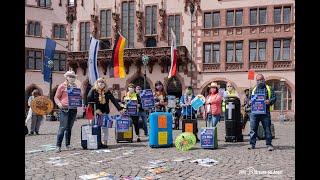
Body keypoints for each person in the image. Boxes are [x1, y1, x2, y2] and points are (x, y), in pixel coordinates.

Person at [87, 77, 124, 147]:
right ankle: (95, 142)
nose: (101, 83)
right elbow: (89, 100)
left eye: (102, 82)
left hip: (104, 112)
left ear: (105, 84)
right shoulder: (93, 90)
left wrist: (120, 109)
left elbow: (114, 100)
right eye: (99, 82)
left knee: (105, 128)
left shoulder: (107, 92)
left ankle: (105, 143)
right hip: (95, 113)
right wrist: (96, 110)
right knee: (94, 127)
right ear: (97, 83)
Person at [54, 70, 80, 153]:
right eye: (70, 76)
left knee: (69, 128)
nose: (71, 78)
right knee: (62, 127)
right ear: (66, 77)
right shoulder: (62, 86)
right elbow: (56, 97)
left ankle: (68, 145)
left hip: (73, 109)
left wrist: (79, 99)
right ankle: (58, 146)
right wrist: (59, 104)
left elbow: (78, 97)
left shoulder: (75, 86)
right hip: (64, 108)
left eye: (73, 77)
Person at [248, 74, 276, 151]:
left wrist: (269, 101)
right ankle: (252, 144)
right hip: (254, 113)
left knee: (267, 129)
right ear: (256, 81)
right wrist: (249, 102)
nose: (259, 81)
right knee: (253, 129)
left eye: (261, 79)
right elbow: (248, 100)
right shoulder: (253, 89)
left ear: (264, 79)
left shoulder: (269, 88)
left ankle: (269, 144)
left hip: (265, 113)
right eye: (258, 80)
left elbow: (274, 98)